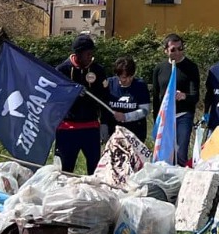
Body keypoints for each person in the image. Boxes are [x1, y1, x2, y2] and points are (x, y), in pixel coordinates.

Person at [53, 33, 109, 174]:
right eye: (87, 53)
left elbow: (104, 98)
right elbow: (54, 98)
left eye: (92, 53)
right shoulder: (62, 70)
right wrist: (71, 94)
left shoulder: (97, 70)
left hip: (91, 128)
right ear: (77, 54)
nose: (90, 56)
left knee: (96, 170)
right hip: (67, 129)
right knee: (64, 171)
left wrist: (104, 123)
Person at [151, 33, 202, 165]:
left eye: (180, 49)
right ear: (166, 51)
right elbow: (156, 96)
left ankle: (180, 177)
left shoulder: (191, 67)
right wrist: (156, 119)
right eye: (173, 50)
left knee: (180, 152)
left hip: (183, 115)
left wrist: (183, 95)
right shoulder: (159, 68)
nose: (177, 53)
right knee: (163, 153)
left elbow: (195, 96)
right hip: (165, 117)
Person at [105, 54, 151, 143]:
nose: (128, 80)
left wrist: (126, 117)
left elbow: (145, 110)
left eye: (131, 76)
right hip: (114, 134)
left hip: (135, 134)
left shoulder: (140, 85)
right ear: (117, 75)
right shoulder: (109, 84)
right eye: (124, 77)